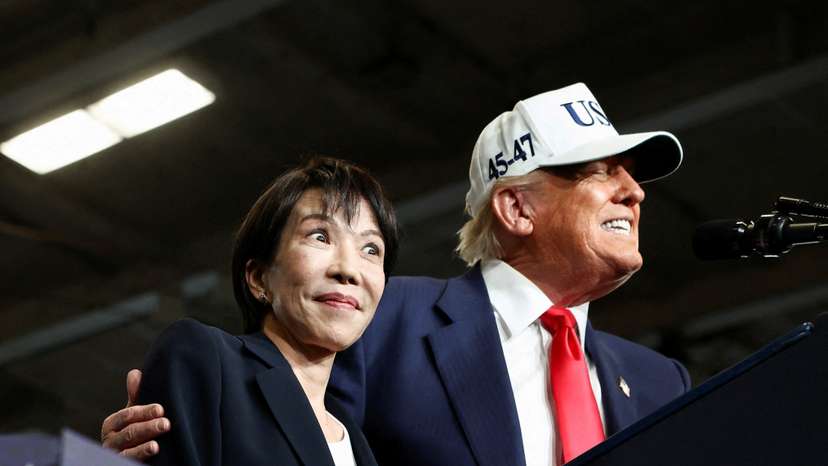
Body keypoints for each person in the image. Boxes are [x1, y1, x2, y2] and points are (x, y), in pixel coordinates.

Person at [102, 83, 690, 466]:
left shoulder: (663, 382)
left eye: (371, 250)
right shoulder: (384, 323)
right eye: (599, 171)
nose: (634, 191)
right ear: (517, 209)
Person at [120, 157, 399, 466]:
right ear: (258, 277)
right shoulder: (206, 361)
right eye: (320, 236)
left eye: (371, 249)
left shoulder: (357, 439)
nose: (349, 270)